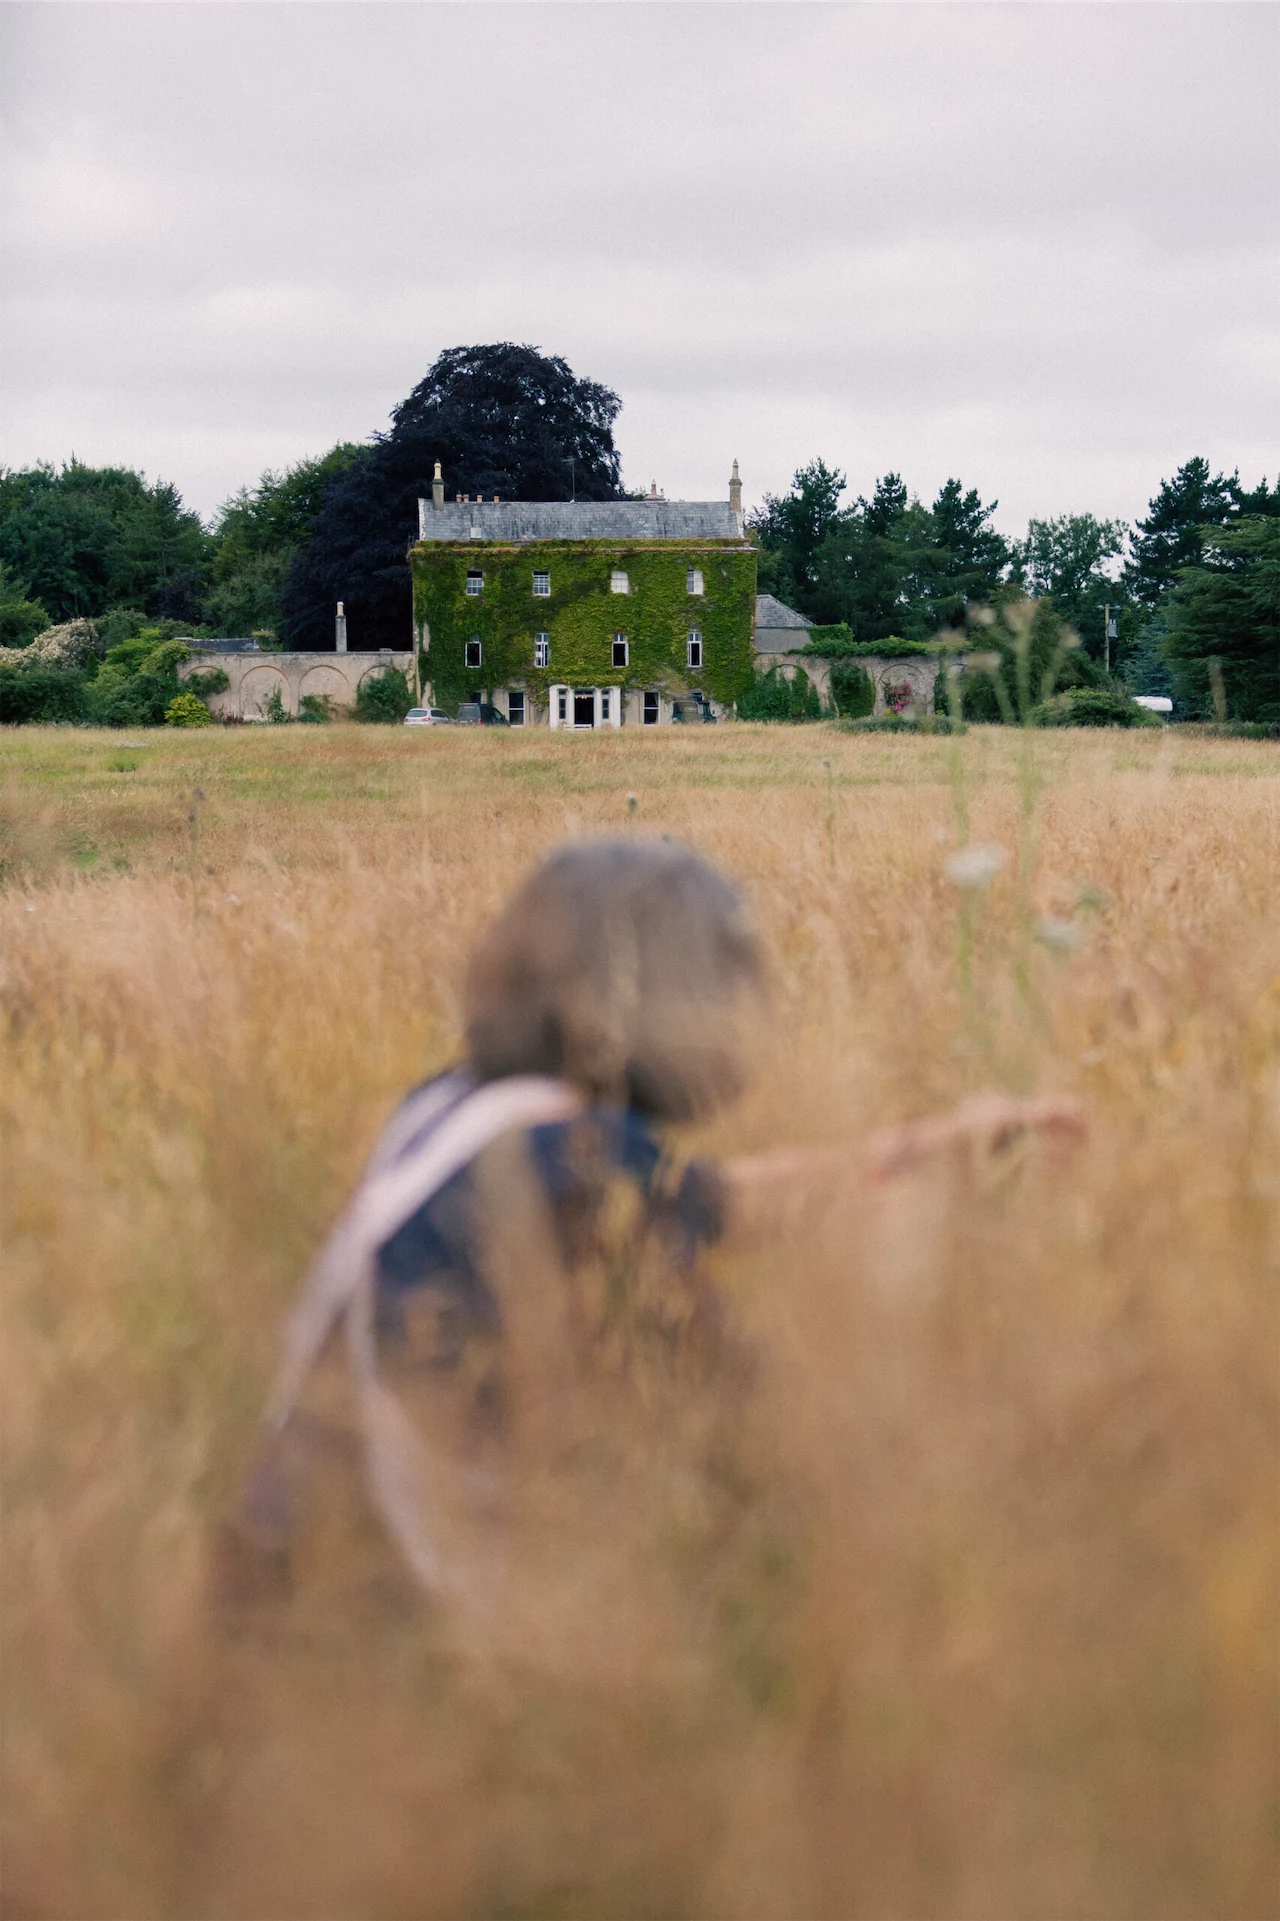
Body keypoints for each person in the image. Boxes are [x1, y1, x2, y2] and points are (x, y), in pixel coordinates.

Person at [222, 839, 1083, 1604]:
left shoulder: (464, 1109)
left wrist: (948, 1146)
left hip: (290, 1568)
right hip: (388, 1624)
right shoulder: (569, 1169)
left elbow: (725, 1202)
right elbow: (747, 1427)